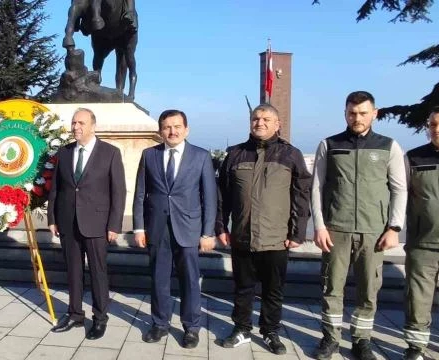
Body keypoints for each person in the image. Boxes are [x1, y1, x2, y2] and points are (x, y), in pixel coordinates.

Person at [311, 91, 407, 360]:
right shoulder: (329, 144)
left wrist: (394, 228)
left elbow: (400, 190)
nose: (357, 118)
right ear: (345, 113)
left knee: (368, 290)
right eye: (352, 113)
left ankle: (361, 341)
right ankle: (330, 338)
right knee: (332, 287)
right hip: (336, 229)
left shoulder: (388, 146)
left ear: (374, 113)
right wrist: (319, 225)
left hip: (373, 231)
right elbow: (317, 188)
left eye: (363, 113)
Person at [215, 104, 312, 354]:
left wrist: (297, 232)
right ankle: (241, 329)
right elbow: (222, 196)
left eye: (266, 119)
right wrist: (220, 226)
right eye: (256, 118)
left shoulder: (291, 155)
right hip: (242, 236)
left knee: (273, 290)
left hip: (276, 238)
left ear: (277, 124)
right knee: (242, 287)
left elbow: (302, 196)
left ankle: (270, 332)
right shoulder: (235, 154)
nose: (260, 123)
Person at [132, 109, 217, 348]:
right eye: (167, 127)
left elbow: (209, 197)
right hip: (157, 228)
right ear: (160, 131)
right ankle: (160, 323)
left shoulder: (200, 156)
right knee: (159, 279)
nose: (172, 131)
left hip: (189, 228)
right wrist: (139, 228)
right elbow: (140, 193)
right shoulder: (149, 155)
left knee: (190, 280)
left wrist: (207, 232)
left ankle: (191, 327)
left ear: (186, 129)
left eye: (177, 126)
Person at [48, 107, 126, 340]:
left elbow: (118, 191)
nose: (76, 127)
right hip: (68, 222)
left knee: (98, 272)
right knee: (73, 271)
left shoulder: (110, 153)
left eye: (81, 123)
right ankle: (75, 314)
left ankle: (100, 318)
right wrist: (52, 218)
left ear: (93, 126)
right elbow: (56, 189)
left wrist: (114, 224)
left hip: (97, 223)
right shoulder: (64, 152)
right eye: (73, 123)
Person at [402, 105, 439, 360]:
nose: (437, 129)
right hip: (422, 245)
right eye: (432, 125)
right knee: (417, 302)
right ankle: (415, 348)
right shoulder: (414, 158)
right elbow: (400, 196)